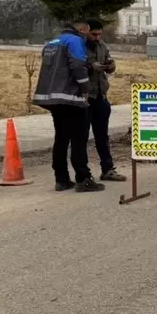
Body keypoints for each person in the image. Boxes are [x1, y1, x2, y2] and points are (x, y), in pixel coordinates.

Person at [32, 21, 105, 193]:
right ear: (82, 30)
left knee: (61, 139)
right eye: (87, 33)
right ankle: (83, 179)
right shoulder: (75, 41)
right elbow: (77, 66)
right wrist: (85, 90)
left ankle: (61, 179)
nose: (87, 36)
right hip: (70, 97)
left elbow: (57, 68)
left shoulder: (53, 42)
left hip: (51, 98)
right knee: (78, 138)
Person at [84, 19, 126, 182]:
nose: (97, 37)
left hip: (101, 96)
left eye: (100, 34)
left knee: (102, 136)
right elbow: (75, 67)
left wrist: (111, 66)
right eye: (94, 34)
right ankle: (84, 174)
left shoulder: (102, 46)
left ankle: (108, 169)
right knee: (81, 137)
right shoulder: (80, 47)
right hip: (86, 98)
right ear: (87, 32)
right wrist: (90, 66)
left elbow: (111, 62)